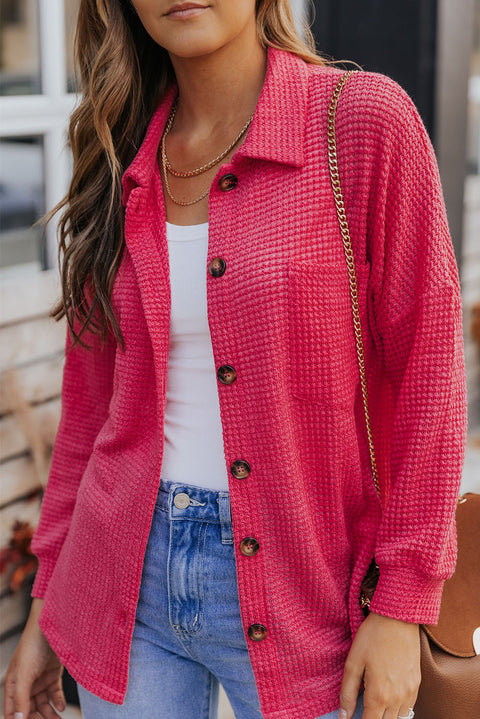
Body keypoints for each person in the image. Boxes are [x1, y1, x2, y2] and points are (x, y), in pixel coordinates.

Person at [4, 1, 467, 718]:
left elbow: (430, 380)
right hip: (124, 583)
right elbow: (89, 412)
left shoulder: (364, 124)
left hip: (311, 591)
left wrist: (403, 604)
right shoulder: (121, 154)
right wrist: (44, 605)